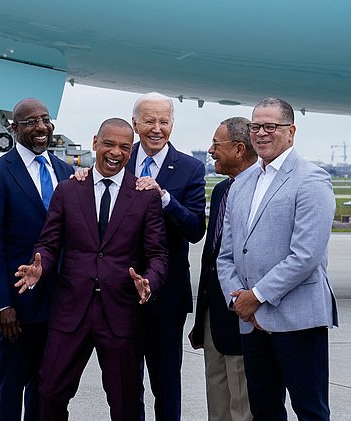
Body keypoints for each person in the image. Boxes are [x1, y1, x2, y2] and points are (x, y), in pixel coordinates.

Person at [16, 118, 168, 420]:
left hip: (120, 312)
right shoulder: (68, 190)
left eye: (125, 147)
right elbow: (48, 244)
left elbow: (158, 254)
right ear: (95, 143)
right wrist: (40, 267)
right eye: (109, 144)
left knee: (125, 401)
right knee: (49, 393)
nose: (115, 152)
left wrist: (150, 281)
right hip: (71, 310)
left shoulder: (144, 195)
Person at [217, 98, 338, 421]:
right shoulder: (241, 183)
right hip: (251, 321)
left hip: (298, 319)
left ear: (291, 131)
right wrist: (238, 301)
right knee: (264, 410)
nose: (261, 133)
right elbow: (226, 253)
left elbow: (306, 255)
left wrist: (256, 296)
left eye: (271, 126)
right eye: (256, 126)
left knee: (310, 410)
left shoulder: (312, 181)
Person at [0, 98, 74, 421]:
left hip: (59, 302)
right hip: (17, 306)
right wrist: (2, 305)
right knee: (12, 384)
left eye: (45, 119)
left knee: (49, 386)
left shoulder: (65, 171)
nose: (41, 127)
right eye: (31, 122)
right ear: (15, 129)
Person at [127, 92, 206, 420]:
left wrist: (165, 199)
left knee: (166, 383)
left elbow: (195, 229)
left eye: (164, 121)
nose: (157, 128)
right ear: (135, 124)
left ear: (172, 123)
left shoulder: (190, 168)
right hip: (121, 294)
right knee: (125, 384)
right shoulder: (117, 160)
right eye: (149, 121)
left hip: (167, 297)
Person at [188, 117, 256, 421]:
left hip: (244, 311)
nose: (210, 150)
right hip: (213, 312)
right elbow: (212, 258)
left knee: (242, 405)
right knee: (217, 402)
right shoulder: (220, 191)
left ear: (239, 149)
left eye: (217, 144)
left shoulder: (260, 190)